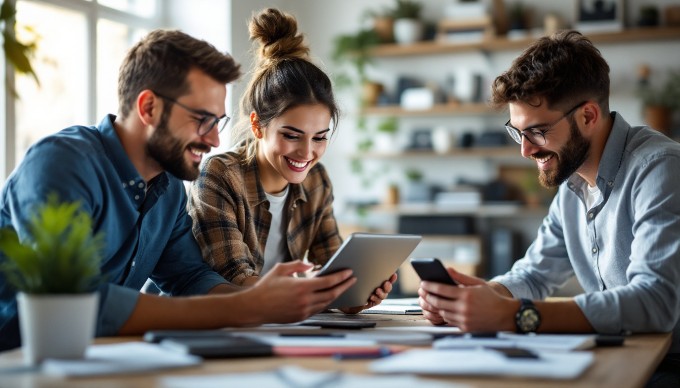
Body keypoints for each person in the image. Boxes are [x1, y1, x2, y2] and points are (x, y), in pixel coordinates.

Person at [0, 28, 357, 352]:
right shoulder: (63, 164)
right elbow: (72, 296)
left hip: (91, 359)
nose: (215, 139)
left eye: (218, 122)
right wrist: (245, 305)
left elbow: (189, 276)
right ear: (149, 108)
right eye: (202, 120)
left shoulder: (167, 188)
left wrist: (262, 296)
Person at [417, 30, 680, 386]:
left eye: (538, 131)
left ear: (588, 116)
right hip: (624, 355)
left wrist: (516, 316)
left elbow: (655, 303)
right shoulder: (572, 183)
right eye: (517, 132)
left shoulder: (660, 168)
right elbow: (534, 275)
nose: (525, 150)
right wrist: (480, 298)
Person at [188, 8, 395, 314]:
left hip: (278, 322)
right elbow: (235, 279)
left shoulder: (317, 180)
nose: (306, 153)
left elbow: (331, 264)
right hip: (210, 322)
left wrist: (351, 295)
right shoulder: (219, 175)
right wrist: (309, 289)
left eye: (320, 137)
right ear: (258, 125)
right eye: (292, 135)